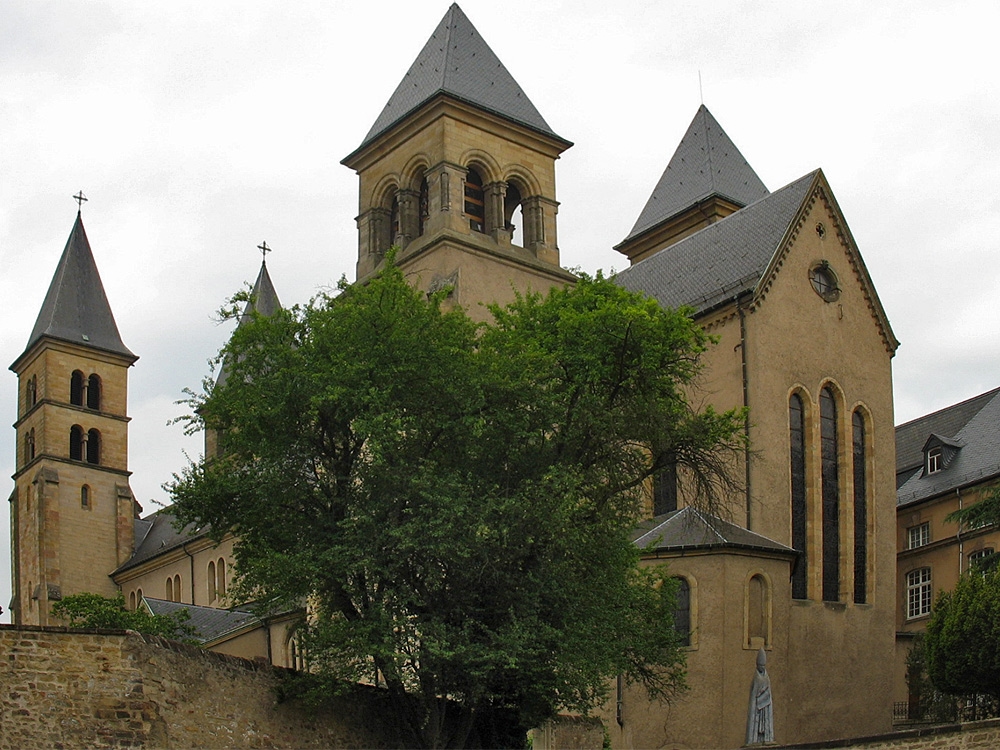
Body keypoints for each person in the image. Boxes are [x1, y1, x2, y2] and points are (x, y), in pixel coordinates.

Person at [746, 647, 773, 745]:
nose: (762, 667)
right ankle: (754, 739)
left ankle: (766, 737)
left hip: (765, 707)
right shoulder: (756, 678)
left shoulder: (766, 677)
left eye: (764, 665)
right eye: (761, 665)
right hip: (757, 707)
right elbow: (754, 694)